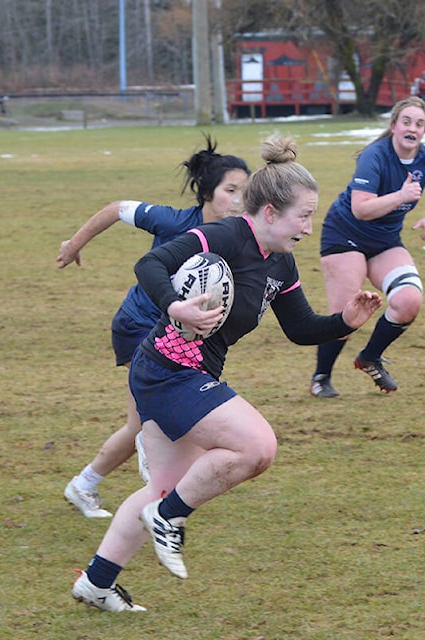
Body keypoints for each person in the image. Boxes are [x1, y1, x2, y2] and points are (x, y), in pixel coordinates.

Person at [71, 135, 382, 612]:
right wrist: (177, 305)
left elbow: (299, 328)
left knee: (163, 486)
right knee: (257, 446)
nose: (309, 225)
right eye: (304, 214)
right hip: (167, 368)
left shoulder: (280, 260)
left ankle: (97, 582)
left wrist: (345, 322)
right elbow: (150, 262)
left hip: (186, 372)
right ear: (272, 212)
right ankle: (167, 518)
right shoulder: (224, 236)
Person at [56, 135, 250, 518]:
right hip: (139, 327)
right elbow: (116, 208)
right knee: (151, 420)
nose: (241, 199)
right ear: (207, 194)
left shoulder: (238, 237)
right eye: (231, 190)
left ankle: (85, 484)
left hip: (180, 338)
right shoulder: (175, 222)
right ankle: (155, 478)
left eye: (246, 191)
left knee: (136, 427)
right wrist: (74, 244)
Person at [309, 96, 425, 398]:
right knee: (347, 316)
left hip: (384, 241)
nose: (412, 128)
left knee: (409, 301)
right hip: (344, 235)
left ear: (424, 131)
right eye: (406, 122)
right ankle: (321, 377)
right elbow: (361, 209)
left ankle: (370, 357)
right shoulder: (374, 156)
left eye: (419, 124)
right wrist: (401, 196)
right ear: (393, 126)